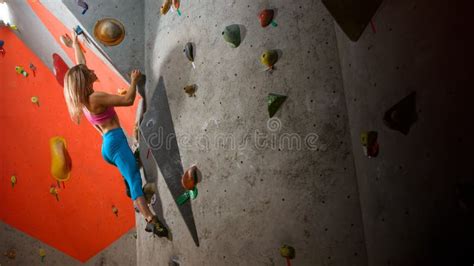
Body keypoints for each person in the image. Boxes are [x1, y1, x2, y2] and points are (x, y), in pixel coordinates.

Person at [63, 30, 168, 237]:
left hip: (108, 146)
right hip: (116, 143)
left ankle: (128, 182)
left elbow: (80, 62)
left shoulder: (84, 102)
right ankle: (151, 220)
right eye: (87, 72)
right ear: (84, 81)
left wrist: (75, 43)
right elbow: (128, 100)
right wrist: (134, 80)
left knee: (129, 173)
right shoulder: (95, 98)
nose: (91, 70)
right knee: (135, 181)